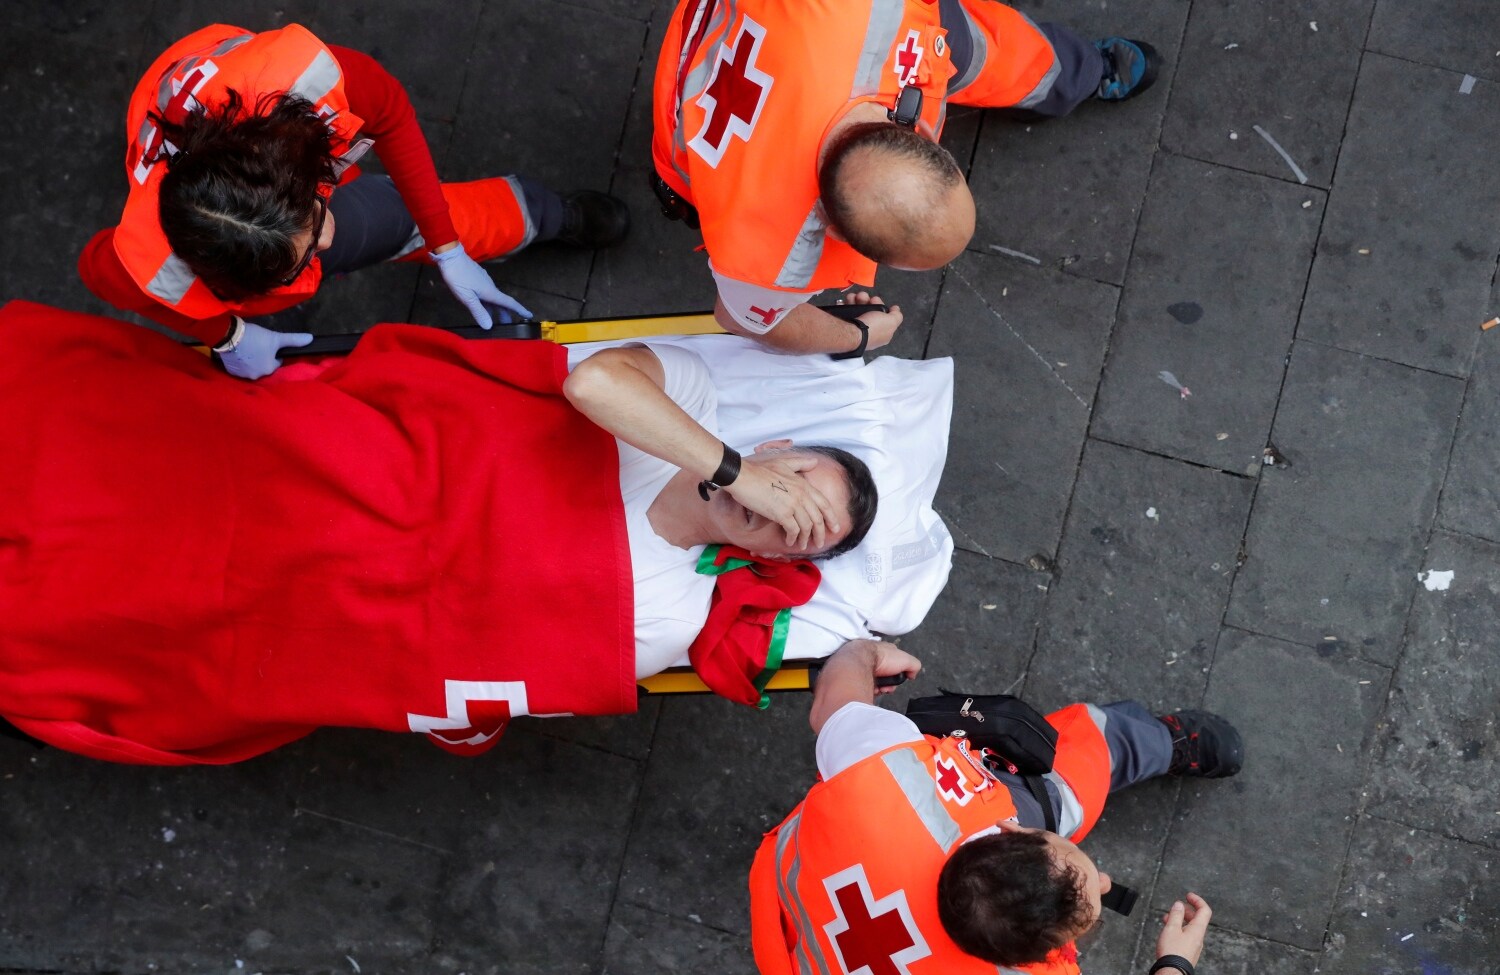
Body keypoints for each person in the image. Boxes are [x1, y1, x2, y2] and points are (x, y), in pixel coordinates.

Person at [0, 300, 875, 763]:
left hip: (330, 591)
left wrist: (854, 658)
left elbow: (487, 669)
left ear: (762, 559)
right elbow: (592, 389)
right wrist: (728, 467)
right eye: (798, 485)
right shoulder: (688, 395)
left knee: (140, 600)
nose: (780, 510)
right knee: (138, 456)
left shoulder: (674, 614)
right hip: (344, 468)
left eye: (799, 533)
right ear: (777, 448)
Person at [78, 23, 630, 380]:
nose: (328, 237)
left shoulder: (306, 83)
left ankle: (547, 214)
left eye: (312, 216)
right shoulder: (149, 260)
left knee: (414, 217)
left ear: (293, 175)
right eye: (302, 255)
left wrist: (445, 245)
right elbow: (102, 273)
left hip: (241, 103)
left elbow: (389, 112)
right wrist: (229, 334)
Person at [651, 0, 1159, 356]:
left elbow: (748, 316)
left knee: (975, 45)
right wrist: (859, 339)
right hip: (688, 104)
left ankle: (1075, 70)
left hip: (694, 65)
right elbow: (739, 318)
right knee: (980, 49)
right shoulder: (768, 263)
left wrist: (859, 336)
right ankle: (1080, 73)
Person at [748, 640, 1243, 975]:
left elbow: (832, 704)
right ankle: (1146, 742)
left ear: (1010, 829)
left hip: (797, 892)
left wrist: (861, 652)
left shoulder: (884, 771)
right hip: (795, 918)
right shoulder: (876, 765)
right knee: (1069, 789)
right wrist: (1175, 962)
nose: (1105, 883)